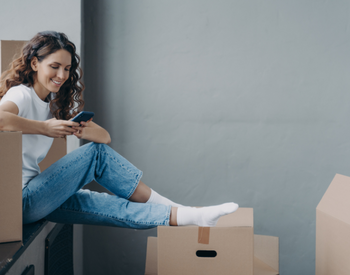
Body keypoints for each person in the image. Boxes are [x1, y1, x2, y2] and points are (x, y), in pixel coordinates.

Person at [0, 31, 238, 229]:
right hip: (18, 203)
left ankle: (189, 217)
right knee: (94, 155)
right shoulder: (21, 94)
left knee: (101, 204)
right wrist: (43, 128)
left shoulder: (51, 105)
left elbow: (104, 138)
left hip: (32, 199)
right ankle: (175, 207)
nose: (62, 75)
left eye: (67, 68)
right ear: (34, 63)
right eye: (54, 66)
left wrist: (78, 128)